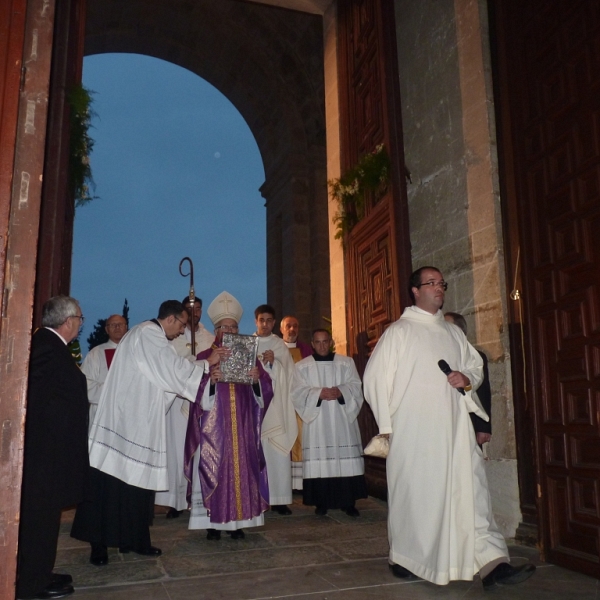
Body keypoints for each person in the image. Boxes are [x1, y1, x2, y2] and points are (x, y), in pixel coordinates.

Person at [363, 266, 536, 589]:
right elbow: (374, 380)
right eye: (431, 283)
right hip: (415, 431)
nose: (438, 288)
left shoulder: (453, 332)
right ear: (415, 291)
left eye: (441, 283)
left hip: (456, 429)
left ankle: (492, 563)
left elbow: (475, 364)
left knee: (473, 494)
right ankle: (406, 557)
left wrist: (466, 377)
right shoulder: (399, 332)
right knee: (420, 498)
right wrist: (388, 428)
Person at [71, 300, 222, 566]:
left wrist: (203, 372)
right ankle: (99, 545)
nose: (181, 332)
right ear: (171, 319)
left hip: (140, 423)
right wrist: (207, 365)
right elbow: (171, 370)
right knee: (109, 485)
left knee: (136, 486)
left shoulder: (150, 336)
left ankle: (135, 539)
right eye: (181, 325)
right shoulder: (148, 334)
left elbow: (163, 377)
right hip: (123, 423)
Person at [184, 291, 273, 540]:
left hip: (243, 426)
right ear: (216, 330)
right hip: (215, 429)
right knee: (215, 469)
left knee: (243, 469)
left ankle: (239, 523)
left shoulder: (249, 356)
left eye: (233, 326)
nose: (230, 330)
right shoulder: (204, 358)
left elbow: (265, 391)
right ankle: (212, 523)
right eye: (224, 327)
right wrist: (210, 382)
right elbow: (194, 394)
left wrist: (257, 380)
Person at [17, 296, 89, 599]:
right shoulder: (46, 347)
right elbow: (34, 397)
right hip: (45, 454)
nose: (81, 325)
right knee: (38, 519)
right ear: (69, 320)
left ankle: (41, 573)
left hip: (51, 452)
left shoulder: (51, 345)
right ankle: (29, 584)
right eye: (80, 319)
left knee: (46, 518)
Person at [291, 329, 367, 516]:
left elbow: (356, 386)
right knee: (321, 461)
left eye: (325, 341)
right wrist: (318, 393)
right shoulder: (302, 366)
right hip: (317, 422)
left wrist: (342, 391)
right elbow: (297, 392)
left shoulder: (346, 363)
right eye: (318, 342)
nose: (322, 345)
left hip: (342, 420)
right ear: (312, 344)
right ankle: (321, 503)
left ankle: (348, 502)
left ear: (331, 342)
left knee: (344, 458)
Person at [156, 296, 214, 518]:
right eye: (190, 309)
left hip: (200, 402)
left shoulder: (210, 338)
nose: (195, 312)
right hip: (177, 400)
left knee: (197, 451)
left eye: (198, 308)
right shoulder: (171, 339)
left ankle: (195, 498)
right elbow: (169, 367)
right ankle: (175, 501)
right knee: (177, 450)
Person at [254, 305, 297, 515]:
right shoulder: (248, 344)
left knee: (277, 453)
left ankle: (279, 499)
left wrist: (274, 365)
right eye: (262, 320)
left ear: (274, 323)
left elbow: (290, 376)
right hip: (254, 409)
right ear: (256, 321)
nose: (265, 324)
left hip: (276, 408)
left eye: (269, 320)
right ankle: (255, 497)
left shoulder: (280, 345)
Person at [444, 311, 492, 447]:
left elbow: (483, 392)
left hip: (469, 420)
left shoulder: (476, 357)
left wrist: (483, 428)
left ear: (459, 331)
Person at [280, 315, 313, 491]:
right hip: (282, 404)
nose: (292, 329)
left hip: (302, 404)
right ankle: (286, 483)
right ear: (281, 329)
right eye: (288, 326)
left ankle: (301, 483)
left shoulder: (307, 351)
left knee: (303, 438)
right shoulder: (276, 349)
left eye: (295, 326)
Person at [80, 313, 128, 430]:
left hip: (128, 413)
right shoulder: (96, 353)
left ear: (126, 327)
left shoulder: (135, 352)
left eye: (120, 324)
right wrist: (111, 392)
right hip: (102, 412)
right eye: (113, 325)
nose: (117, 327)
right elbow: (85, 383)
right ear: (106, 329)